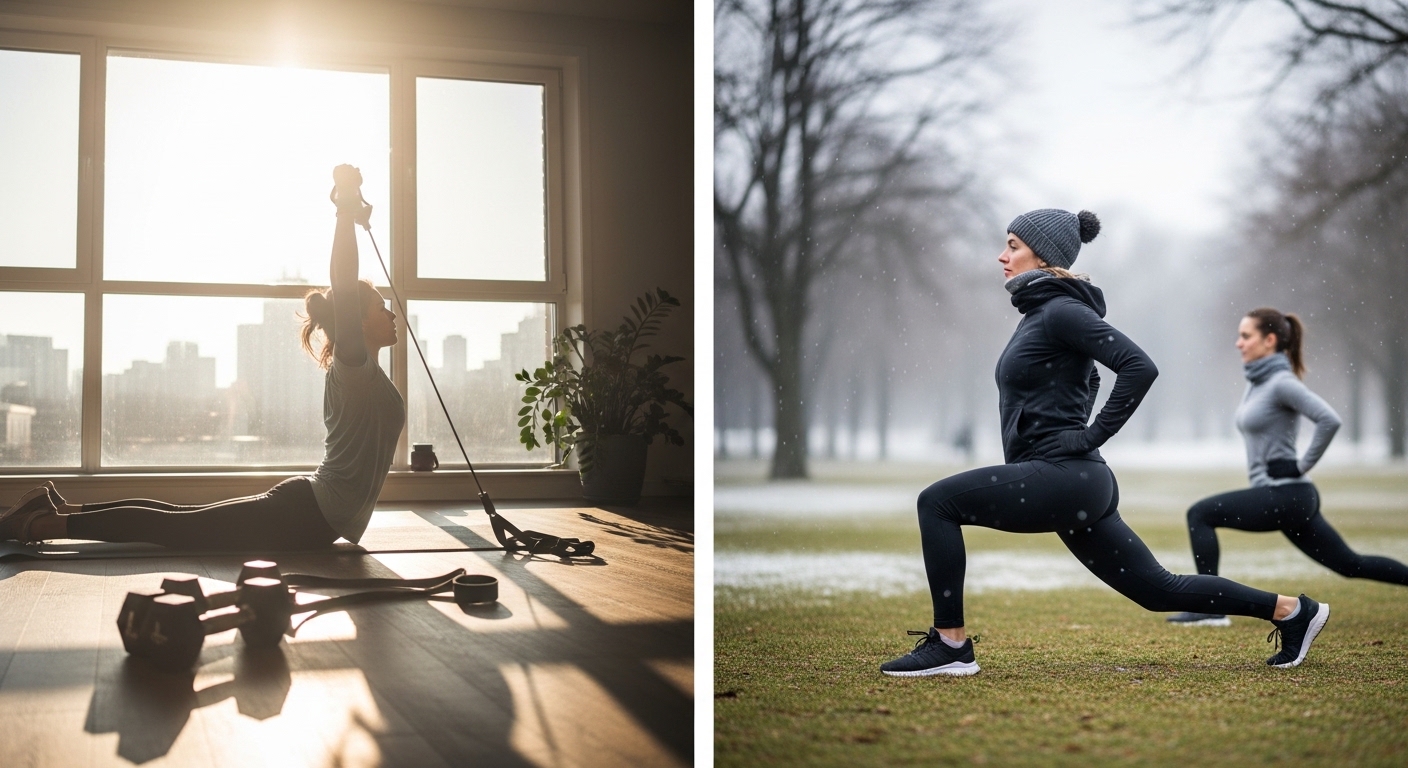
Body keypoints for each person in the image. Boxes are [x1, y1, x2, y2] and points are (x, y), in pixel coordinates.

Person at [880, 209, 1330, 678]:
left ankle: (951, 645)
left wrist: (1091, 434)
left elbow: (1138, 366)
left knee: (937, 503)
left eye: (1012, 245)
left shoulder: (1060, 312)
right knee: (1159, 591)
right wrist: (1076, 425)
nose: (1002, 255)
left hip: (1065, 475)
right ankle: (1292, 612)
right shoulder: (1041, 314)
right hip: (1074, 480)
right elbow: (1090, 377)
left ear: (1044, 253)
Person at [0, 165, 403, 552]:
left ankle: (59, 510)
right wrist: (345, 210)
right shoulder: (355, 370)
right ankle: (39, 524)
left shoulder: (367, 373)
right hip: (309, 512)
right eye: (382, 308)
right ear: (359, 322)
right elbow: (344, 285)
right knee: (179, 527)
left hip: (314, 512)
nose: (391, 314)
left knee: (180, 519)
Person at [1167, 308, 1408, 626]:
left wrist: (1300, 465)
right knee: (1349, 564)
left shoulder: (1282, 383)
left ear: (1270, 340)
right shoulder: (1257, 382)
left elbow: (1328, 419)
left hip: (1287, 494)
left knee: (1200, 514)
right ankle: (1211, 607)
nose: (1239, 343)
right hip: (1290, 498)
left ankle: (1211, 608)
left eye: (1246, 336)